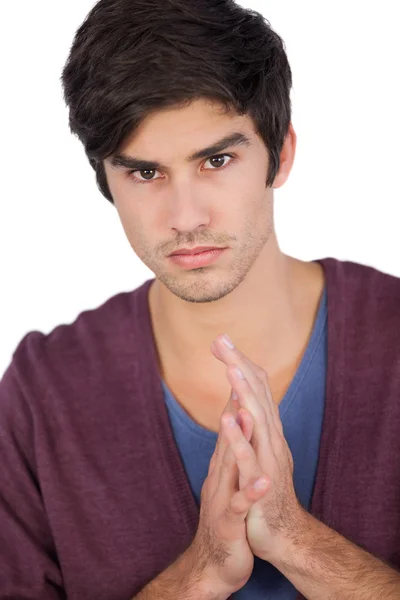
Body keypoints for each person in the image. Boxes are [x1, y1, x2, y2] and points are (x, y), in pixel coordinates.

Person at [1, 0, 400, 599]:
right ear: (103, 179)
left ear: (281, 154)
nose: (185, 218)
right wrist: (202, 572)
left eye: (217, 160)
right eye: (144, 173)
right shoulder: (45, 392)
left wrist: (295, 540)